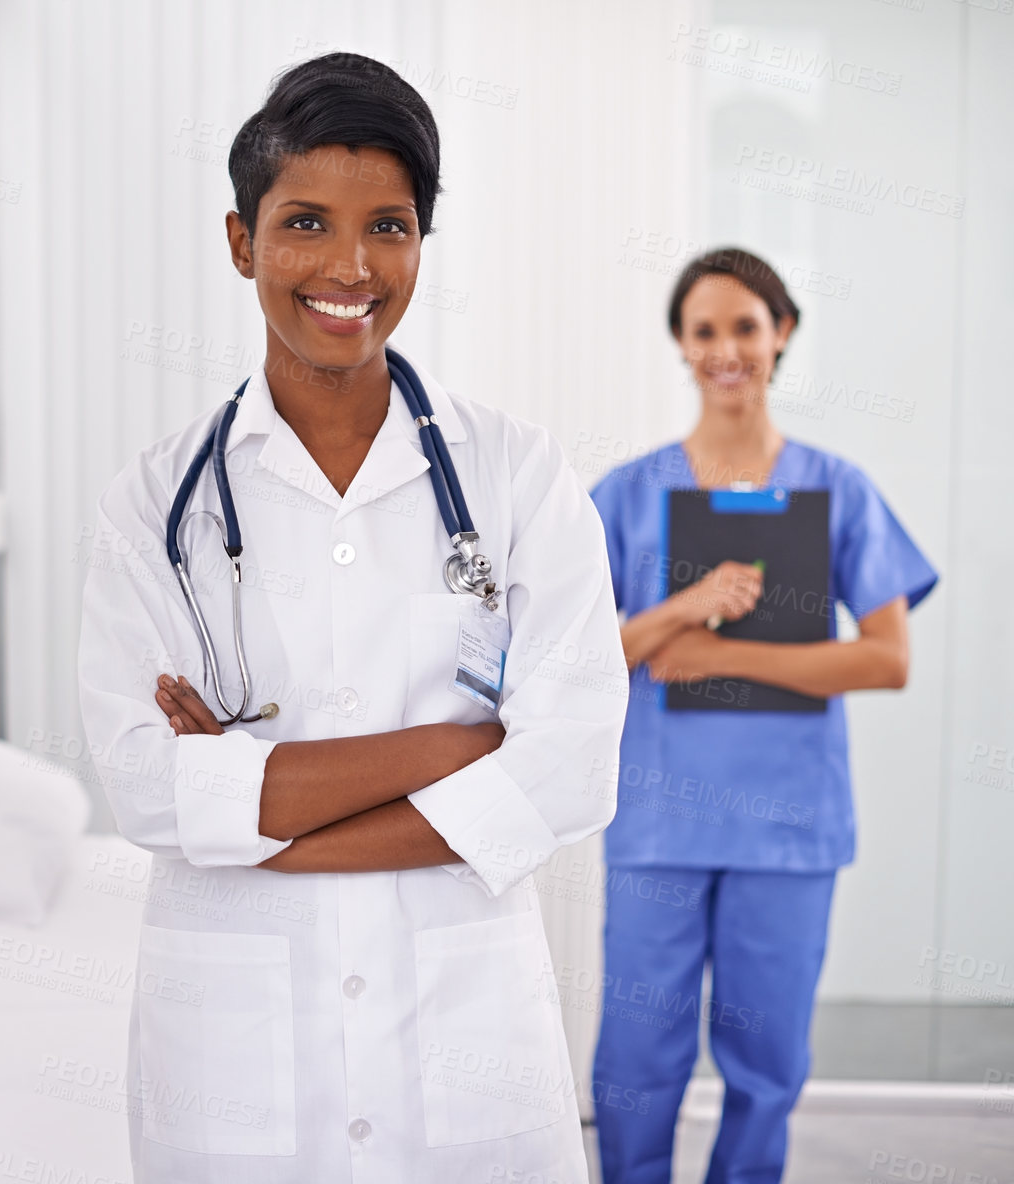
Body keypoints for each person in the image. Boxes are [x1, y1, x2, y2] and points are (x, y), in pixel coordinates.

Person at [76, 53, 625, 1181]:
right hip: (232, 1060)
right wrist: (456, 750)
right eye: (305, 223)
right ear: (242, 242)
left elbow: (571, 769)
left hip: (467, 1035)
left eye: (388, 225)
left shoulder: (517, 476)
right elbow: (143, 786)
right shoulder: (154, 503)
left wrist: (252, 818)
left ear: (421, 241)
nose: (347, 265)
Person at [587, 247, 939, 1184]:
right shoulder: (626, 496)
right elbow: (572, 657)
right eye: (705, 330)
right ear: (680, 345)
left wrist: (717, 653)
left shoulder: (840, 491)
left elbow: (887, 657)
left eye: (746, 325)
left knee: (768, 1064)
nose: (727, 348)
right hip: (658, 825)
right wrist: (678, 609)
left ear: (782, 335)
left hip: (786, 830)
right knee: (635, 1062)